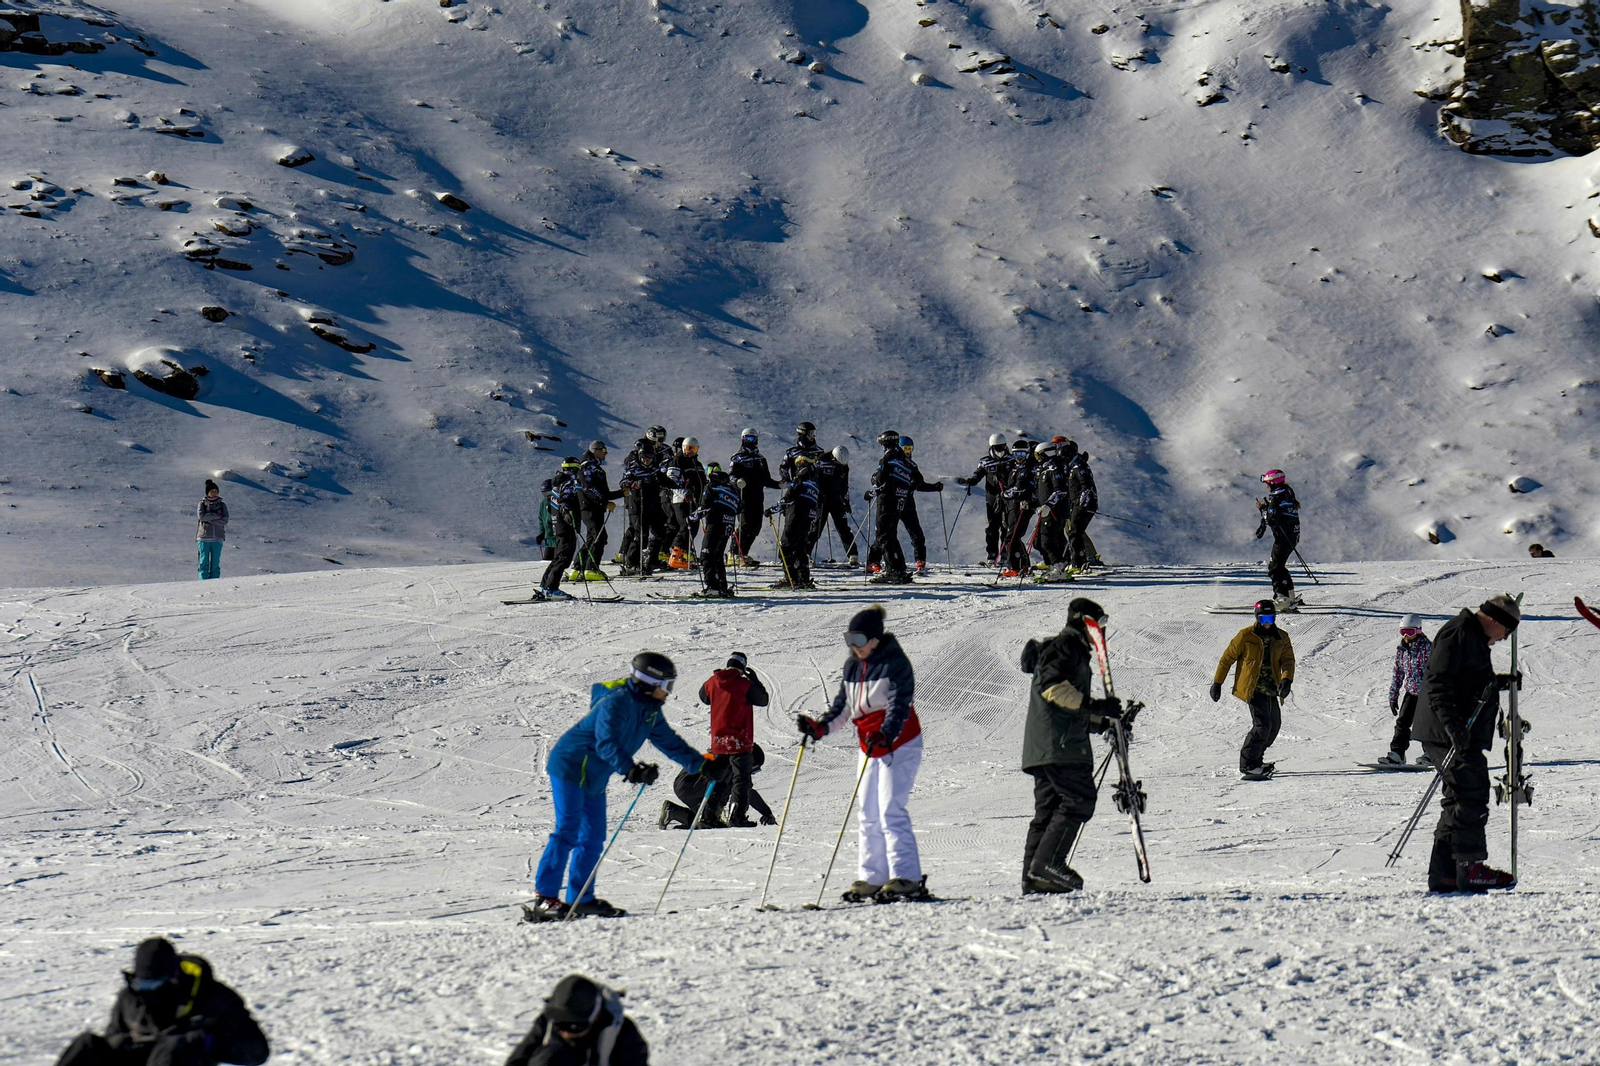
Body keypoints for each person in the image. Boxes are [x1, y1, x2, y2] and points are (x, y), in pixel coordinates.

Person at [531, 652, 721, 920]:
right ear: (648, 682)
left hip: (595, 774)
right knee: (567, 831)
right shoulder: (616, 702)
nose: (668, 692)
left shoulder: (649, 710)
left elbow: (669, 742)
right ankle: (544, 899)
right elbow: (605, 741)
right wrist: (630, 769)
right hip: (570, 766)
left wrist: (701, 766)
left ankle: (580, 898)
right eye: (665, 685)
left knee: (593, 837)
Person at [798, 605, 929, 901]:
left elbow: (899, 705)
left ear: (875, 639)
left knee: (890, 809)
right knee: (868, 812)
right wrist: (819, 728)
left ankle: (906, 876)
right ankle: (872, 877)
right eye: (850, 639)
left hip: (900, 742)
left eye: (859, 639)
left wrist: (886, 734)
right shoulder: (853, 667)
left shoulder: (895, 663)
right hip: (868, 745)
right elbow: (843, 708)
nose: (854, 647)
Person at [1412, 594, 1522, 893]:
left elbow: (1466, 679)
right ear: (1496, 620)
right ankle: (1470, 867)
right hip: (1448, 732)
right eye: (1507, 630)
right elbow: (1437, 682)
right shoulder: (1458, 632)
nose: (1505, 638)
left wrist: (1497, 681)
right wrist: (1453, 726)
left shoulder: (1471, 635)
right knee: (1471, 792)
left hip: (1456, 731)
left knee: (1458, 797)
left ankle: (1445, 873)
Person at [1019, 597, 1125, 893]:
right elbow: (1053, 688)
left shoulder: (1067, 649)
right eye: (1100, 623)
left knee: (1048, 812)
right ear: (1084, 622)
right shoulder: (1066, 647)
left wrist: (1103, 721)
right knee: (1079, 799)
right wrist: (1096, 706)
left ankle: (1034, 878)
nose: (1102, 630)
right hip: (1061, 747)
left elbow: (1067, 705)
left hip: (1048, 745)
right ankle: (1048, 865)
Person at [55, 937, 269, 1066]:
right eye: (142, 984)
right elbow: (113, 1035)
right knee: (87, 1044)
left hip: (182, 1060)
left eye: (155, 984)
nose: (148, 991)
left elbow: (257, 1053)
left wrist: (208, 1042)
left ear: (174, 976)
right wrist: (124, 1042)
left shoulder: (214, 997)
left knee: (173, 1045)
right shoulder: (130, 996)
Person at [1209, 599, 1295, 780]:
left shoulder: (1282, 636)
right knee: (1262, 725)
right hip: (1252, 688)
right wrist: (1217, 683)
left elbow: (1288, 660)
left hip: (1272, 688)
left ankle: (1257, 759)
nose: (1267, 623)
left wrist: (1286, 680)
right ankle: (1248, 764)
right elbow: (1226, 659)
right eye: (1263, 619)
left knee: (1274, 726)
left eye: (1270, 618)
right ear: (1257, 617)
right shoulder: (1245, 636)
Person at [505, 974, 648, 1066]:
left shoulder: (624, 1034)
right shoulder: (547, 1022)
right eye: (560, 1025)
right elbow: (517, 1060)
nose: (566, 1033)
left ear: (595, 1016)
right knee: (550, 1055)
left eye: (575, 1027)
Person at [694, 652, 770, 825]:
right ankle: (736, 816)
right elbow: (763, 700)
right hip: (739, 741)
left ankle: (709, 816)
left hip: (719, 741)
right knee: (741, 779)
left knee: (719, 779)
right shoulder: (744, 684)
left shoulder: (712, 682)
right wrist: (755, 681)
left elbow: (704, 697)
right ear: (743, 667)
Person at [658, 744, 777, 829]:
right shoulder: (730, 761)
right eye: (753, 768)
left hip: (688, 784)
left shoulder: (730, 758)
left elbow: (746, 791)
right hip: (689, 783)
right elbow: (744, 789)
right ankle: (709, 818)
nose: (751, 773)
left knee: (703, 822)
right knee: (728, 783)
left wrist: (766, 812)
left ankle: (672, 811)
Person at [1381, 614, 1433, 765]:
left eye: (1410, 632)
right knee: (1402, 723)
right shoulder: (1402, 649)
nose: (1406, 636)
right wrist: (1393, 695)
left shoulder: (1428, 648)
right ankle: (1397, 753)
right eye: (1403, 632)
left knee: (1426, 724)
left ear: (1418, 631)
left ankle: (1431, 754)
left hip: (1428, 693)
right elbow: (1398, 672)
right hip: (1411, 692)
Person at [865, 430, 916, 584]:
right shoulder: (904, 460)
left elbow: (880, 479)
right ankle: (899, 569)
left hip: (887, 501)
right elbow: (916, 478)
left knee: (884, 535)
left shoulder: (888, 458)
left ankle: (893, 570)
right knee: (891, 535)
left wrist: (872, 492)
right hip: (900, 500)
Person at [956, 433, 1014, 564]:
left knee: (1006, 526)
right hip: (992, 498)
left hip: (1008, 497)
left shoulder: (1011, 460)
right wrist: (971, 481)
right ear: (991, 447)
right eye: (997, 448)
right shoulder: (985, 462)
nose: (1000, 451)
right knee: (993, 526)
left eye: (1002, 447)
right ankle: (992, 554)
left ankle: (1005, 553)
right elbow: (978, 475)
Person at [729, 428, 780, 565]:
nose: (750, 441)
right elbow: (731, 476)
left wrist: (779, 485)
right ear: (742, 439)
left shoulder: (761, 459)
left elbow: (766, 479)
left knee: (756, 527)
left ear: (756, 440)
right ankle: (734, 553)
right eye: (747, 439)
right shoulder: (737, 458)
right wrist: (737, 481)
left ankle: (743, 553)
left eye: (752, 438)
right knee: (745, 525)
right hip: (743, 496)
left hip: (757, 497)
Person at [768, 456, 820, 589]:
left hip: (796, 517)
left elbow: (789, 497)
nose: (798, 466)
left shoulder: (800, 478)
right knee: (799, 549)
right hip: (808, 519)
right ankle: (803, 579)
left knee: (785, 547)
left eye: (800, 463)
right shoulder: (815, 483)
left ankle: (790, 579)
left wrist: (773, 509)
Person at [896, 435, 945, 575]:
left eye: (910, 449)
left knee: (917, 534)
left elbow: (919, 484)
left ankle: (920, 561)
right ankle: (874, 561)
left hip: (908, 503)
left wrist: (934, 487)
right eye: (905, 448)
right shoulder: (893, 463)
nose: (908, 452)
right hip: (894, 502)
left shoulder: (912, 465)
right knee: (887, 533)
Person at [537, 460, 585, 599]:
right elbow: (565, 501)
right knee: (564, 557)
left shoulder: (558, 483)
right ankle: (551, 588)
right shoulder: (569, 483)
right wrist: (568, 514)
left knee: (558, 557)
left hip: (559, 525)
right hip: (565, 525)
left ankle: (545, 586)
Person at [692, 463, 741, 597]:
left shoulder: (711, 487)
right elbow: (740, 508)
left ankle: (712, 586)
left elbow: (704, 506)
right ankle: (721, 585)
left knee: (706, 555)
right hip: (728, 525)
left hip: (715, 524)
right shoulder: (734, 490)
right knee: (717, 556)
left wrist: (692, 518)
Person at [575, 441, 622, 580]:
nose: (606, 453)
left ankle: (577, 568)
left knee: (593, 538)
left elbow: (603, 492)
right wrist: (604, 503)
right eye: (604, 450)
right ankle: (591, 569)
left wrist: (621, 493)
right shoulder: (587, 466)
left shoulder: (596, 467)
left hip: (595, 508)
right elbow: (588, 488)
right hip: (589, 508)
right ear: (595, 451)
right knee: (599, 537)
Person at [1255, 469, 1301, 609]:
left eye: (1267, 483)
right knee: (1279, 566)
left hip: (1284, 537)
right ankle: (1290, 596)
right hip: (1292, 535)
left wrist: (1263, 510)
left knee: (1274, 568)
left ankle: (1282, 598)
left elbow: (1272, 520)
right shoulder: (1287, 492)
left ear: (1273, 483)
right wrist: (1267, 508)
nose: (1266, 486)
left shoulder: (1277, 498)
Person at [810, 445, 859, 566]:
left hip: (837, 500)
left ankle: (853, 554)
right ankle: (805, 553)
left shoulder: (844, 467)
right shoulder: (821, 462)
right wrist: (817, 496)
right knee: (816, 527)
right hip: (822, 500)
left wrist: (846, 501)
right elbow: (814, 480)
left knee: (843, 528)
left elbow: (844, 485)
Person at [665, 437, 705, 570]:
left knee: (693, 527)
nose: (691, 452)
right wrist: (684, 493)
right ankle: (675, 557)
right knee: (686, 525)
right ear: (683, 448)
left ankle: (682, 554)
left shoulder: (697, 464)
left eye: (694, 449)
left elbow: (703, 482)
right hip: (680, 500)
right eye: (689, 448)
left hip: (695, 501)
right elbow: (671, 481)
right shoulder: (677, 461)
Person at [998, 439, 1036, 577]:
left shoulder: (1029, 468)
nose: (1019, 457)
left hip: (1022, 505)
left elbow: (1020, 488)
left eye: (1022, 454)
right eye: (1016, 454)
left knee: (1012, 536)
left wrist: (1006, 494)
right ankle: (1022, 565)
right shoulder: (1015, 468)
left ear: (1027, 454)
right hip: (1013, 506)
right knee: (1013, 536)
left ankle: (1015, 566)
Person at [1065, 446, 1098, 571]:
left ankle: (1080, 561)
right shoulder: (1073, 466)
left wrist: (1081, 503)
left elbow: (1086, 486)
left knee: (1075, 531)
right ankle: (1078, 560)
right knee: (1074, 531)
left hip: (1081, 505)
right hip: (1075, 504)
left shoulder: (1078, 467)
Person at [196, 480, 228, 580]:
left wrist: (209, 520)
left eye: (215, 491)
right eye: (212, 491)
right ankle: (203, 582)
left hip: (218, 537)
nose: (214, 493)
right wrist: (217, 516)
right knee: (203, 562)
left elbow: (224, 520)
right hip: (204, 537)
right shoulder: (202, 504)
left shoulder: (222, 505)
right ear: (207, 492)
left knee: (215, 563)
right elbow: (202, 517)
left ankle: (214, 582)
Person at [536, 480, 558, 562]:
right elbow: (541, 520)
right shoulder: (543, 503)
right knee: (546, 562)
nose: (546, 496)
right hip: (549, 540)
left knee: (558, 562)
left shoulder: (557, 501)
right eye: (544, 494)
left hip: (558, 540)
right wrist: (542, 534)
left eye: (548, 493)